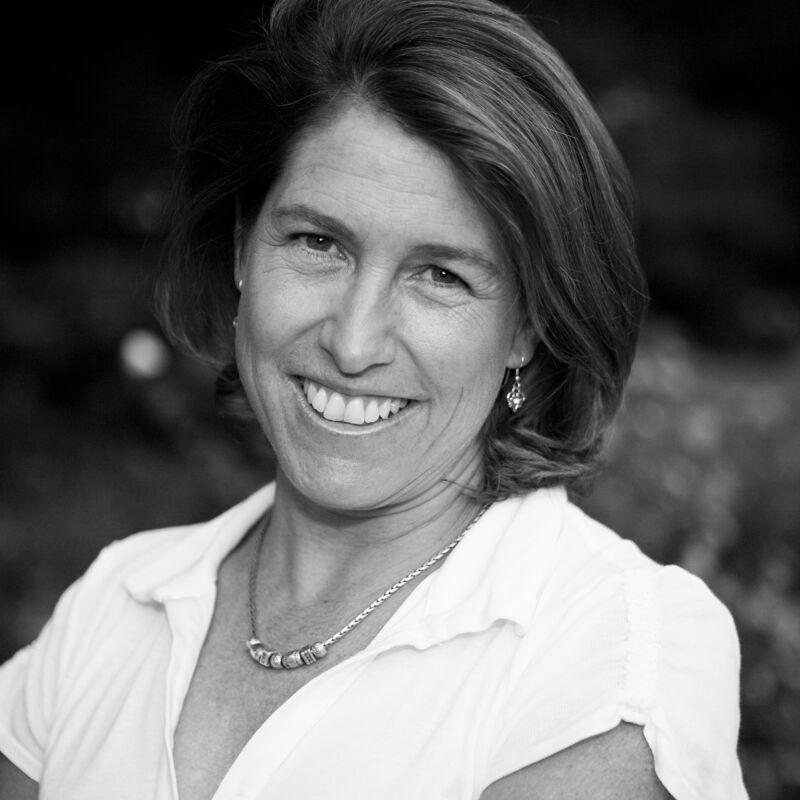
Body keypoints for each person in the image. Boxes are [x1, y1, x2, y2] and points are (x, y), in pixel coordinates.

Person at [0, 0, 748, 797]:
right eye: (318, 242)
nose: (354, 344)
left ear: (529, 325)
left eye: (441, 276)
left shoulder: (612, 651)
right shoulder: (117, 600)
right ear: (243, 248)